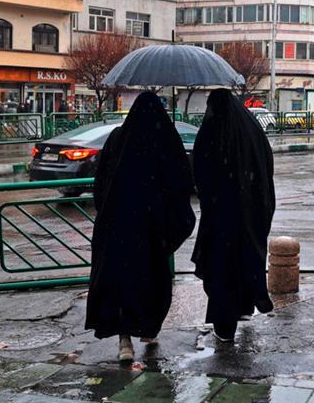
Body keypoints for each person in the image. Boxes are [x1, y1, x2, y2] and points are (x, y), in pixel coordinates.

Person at [85, 91, 196, 362]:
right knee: (152, 281)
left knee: (122, 283)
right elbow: (182, 183)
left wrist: (110, 215)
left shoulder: (118, 138)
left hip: (119, 227)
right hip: (152, 230)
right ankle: (149, 328)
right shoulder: (165, 139)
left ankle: (125, 340)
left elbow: (100, 183)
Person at [191, 89, 276, 342]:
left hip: (220, 219)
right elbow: (265, 167)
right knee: (245, 263)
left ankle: (224, 324)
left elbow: (201, 170)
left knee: (221, 271)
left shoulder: (213, 131)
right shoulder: (251, 129)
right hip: (250, 215)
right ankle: (245, 305)